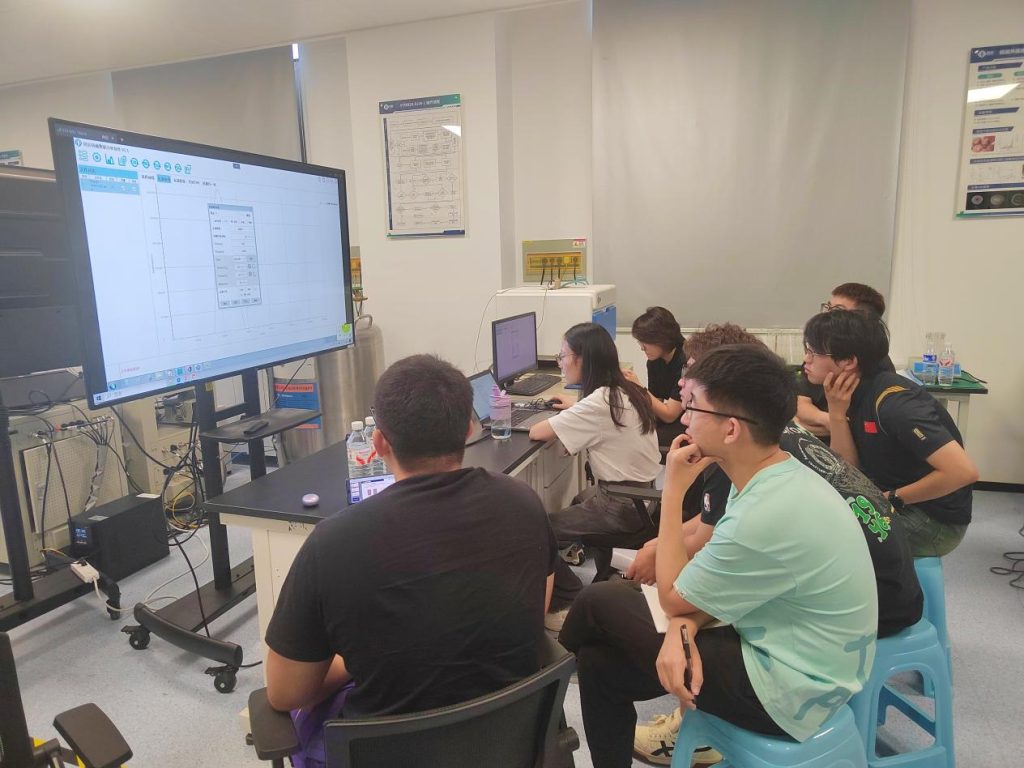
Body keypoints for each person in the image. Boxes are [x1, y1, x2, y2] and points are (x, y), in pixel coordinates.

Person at [560, 344, 878, 768]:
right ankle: (550, 698)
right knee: (600, 662)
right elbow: (698, 597)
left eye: (693, 407)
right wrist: (685, 623)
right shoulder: (778, 475)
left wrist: (673, 490)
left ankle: (542, 693)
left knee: (598, 601)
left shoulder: (763, 512)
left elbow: (673, 596)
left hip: (793, 692)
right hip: (794, 654)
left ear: (730, 430)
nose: (684, 418)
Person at [264, 355, 558, 768]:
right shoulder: (523, 502)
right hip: (508, 742)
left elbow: (285, 693)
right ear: (469, 428)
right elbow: (534, 611)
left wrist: (352, 662)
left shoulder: (333, 542)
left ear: (379, 442)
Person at [802, 309, 979, 556]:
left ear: (849, 362)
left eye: (814, 352)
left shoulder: (895, 404)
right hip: (892, 495)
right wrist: (836, 414)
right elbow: (848, 470)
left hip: (934, 521)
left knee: (819, 534)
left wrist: (889, 499)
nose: (806, 359)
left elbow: (963, 472)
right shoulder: (848, 392)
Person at [529, 322, 661, 631]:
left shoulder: (599, 402)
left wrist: (569, 412)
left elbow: (537, 431)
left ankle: (568, 598)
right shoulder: (625, 389)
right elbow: (600, 415)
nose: (560, 363)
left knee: (537, 530)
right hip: (642, 496)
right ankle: (607, 575)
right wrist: (576, 407)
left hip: (620, 504)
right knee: (579, 499)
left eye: (563, 356)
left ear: (582, 359)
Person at [796, 282, 891, 437]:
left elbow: (857, 431)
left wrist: (836, 423)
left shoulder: (878, 371)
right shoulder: (818, 355)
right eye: (827, 308)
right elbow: (800, 404)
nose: (827, 316)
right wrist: (828, 421)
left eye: (837, 311)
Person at [626, 306, 687, 447]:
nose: (642, 348)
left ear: (661, 339)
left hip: (688, 421)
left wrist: (639, 387)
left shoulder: (685, 362)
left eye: (645, 342)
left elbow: (670, 415)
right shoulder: (654, 362)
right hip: (672, 419)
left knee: (642, 440)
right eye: (640, 342)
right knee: (630, 430)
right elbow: (655, 403)